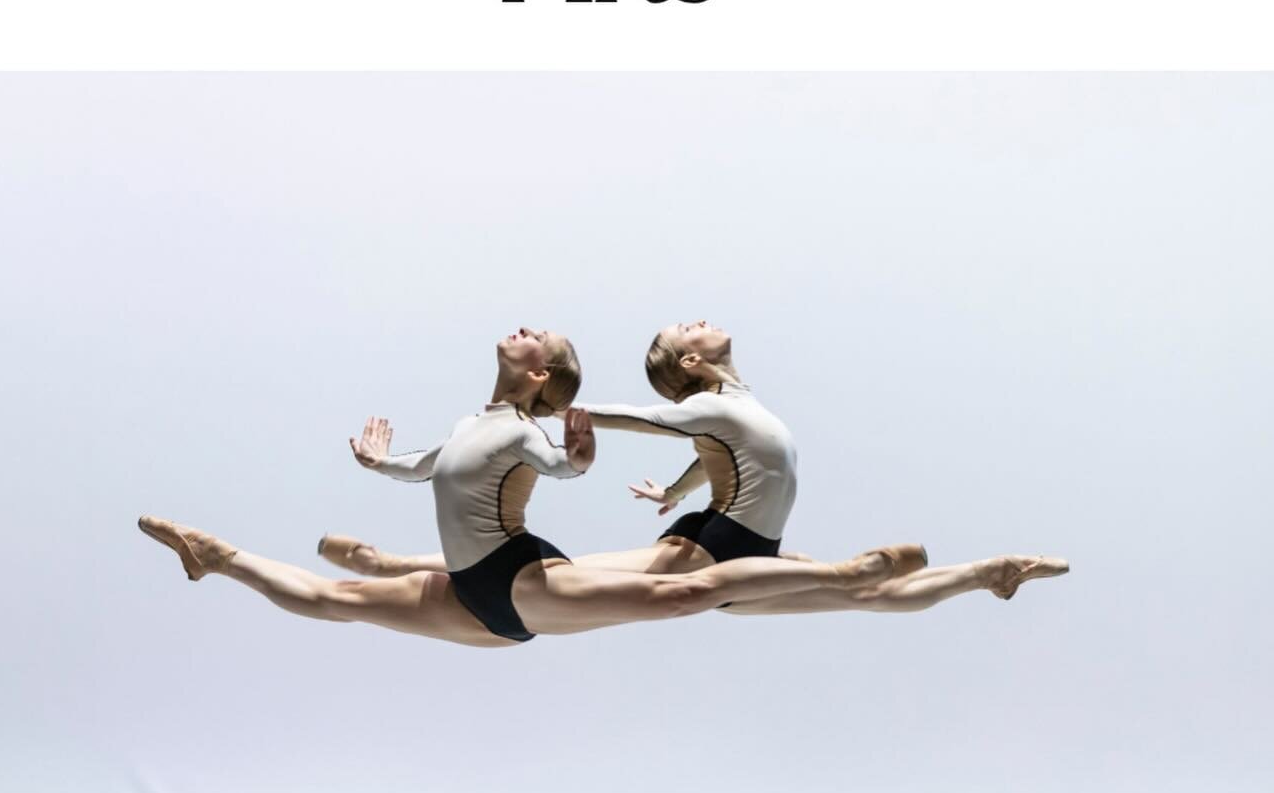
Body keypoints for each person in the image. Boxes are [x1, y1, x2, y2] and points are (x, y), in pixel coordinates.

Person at [141, 327, 918, 649]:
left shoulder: (522, 431)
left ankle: (837, 572)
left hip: (520, 583)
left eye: (532, 337)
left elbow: (559, 466)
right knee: (325, 603)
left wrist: (579, 454)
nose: (518, 330)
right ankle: (221, 556)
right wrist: (380, 465)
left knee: (683, 595)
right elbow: (426, 468)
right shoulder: (468, 423)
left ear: (538, 374)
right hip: (479, 591)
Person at [322, 320, 1067, 611]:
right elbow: (658, 420)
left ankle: (985, 574)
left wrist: (676, 483)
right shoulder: (713, 404)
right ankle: (390, 563)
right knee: (578, 576)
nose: (699, 323)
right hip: (708, 543)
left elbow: (720, 460)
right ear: (692, 360)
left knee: (870, 599)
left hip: (749, 545)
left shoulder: (736, 412)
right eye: (688, 329)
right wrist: (567, 418)